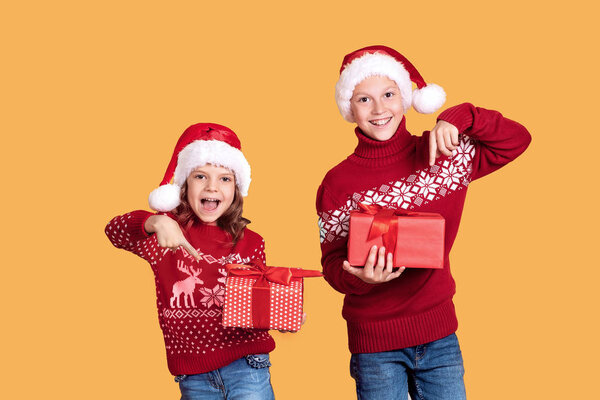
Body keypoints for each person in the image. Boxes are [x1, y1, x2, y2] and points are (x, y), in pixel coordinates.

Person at [316, 45, 531, 399]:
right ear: (349, 110)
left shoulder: (444, 152)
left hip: (440, 337)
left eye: (388, 94)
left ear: (406, 98)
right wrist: (361, 279)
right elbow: (331, 267)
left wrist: (461, 116)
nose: (380, 108)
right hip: (375, 345)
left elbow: (517, 139)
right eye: (364, 99)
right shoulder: (336, 184)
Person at [106, 123, 279, 399]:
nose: (212, 186)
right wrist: (156, 221)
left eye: (225, 179)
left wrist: (277, 313)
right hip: (193, 375)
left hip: (247, 366)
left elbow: (255, 302)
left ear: (236, 188)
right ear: (184, 185)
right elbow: (114, 231)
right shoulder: (164, 238)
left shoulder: (252, 242)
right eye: (201, 176)